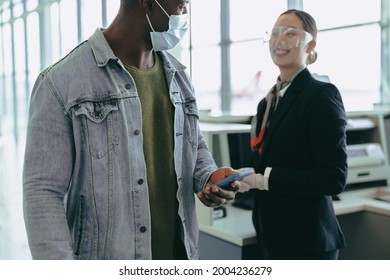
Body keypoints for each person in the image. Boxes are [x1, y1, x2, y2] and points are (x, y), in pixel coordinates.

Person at [22, 0, 237, 260]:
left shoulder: (178, 77)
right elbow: (43, 193)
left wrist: (208, 176)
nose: (185, 14)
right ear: (147, 4)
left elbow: (194, 144)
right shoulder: (61, 83)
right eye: (181, 5)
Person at [236, 9, 348, 259]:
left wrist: (263, 180)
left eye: (291, 33)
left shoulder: (321, 95)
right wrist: (239, 178)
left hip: (308, 241)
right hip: (272, 236)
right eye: (274, 34)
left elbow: (332, 179)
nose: (280, 40)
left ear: (311, 45)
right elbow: (264, 162)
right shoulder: (266, 103)